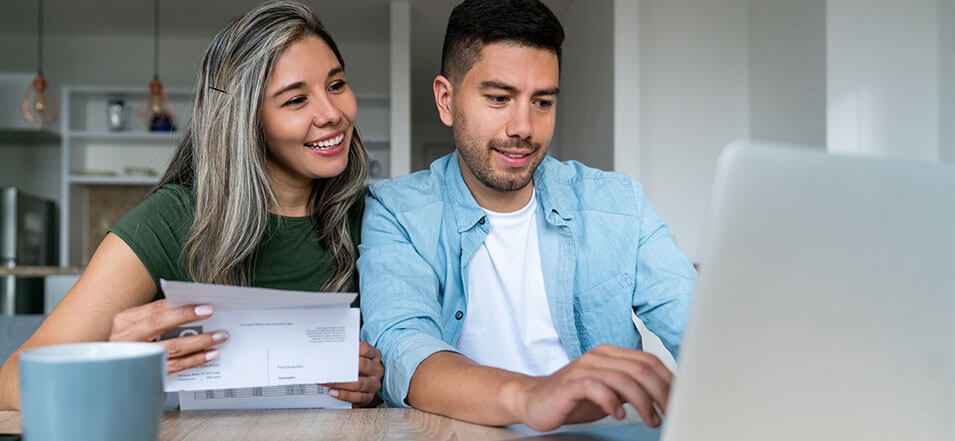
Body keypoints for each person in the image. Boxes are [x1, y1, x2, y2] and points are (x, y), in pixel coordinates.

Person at [0, 1, 383, 410]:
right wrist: (114, 364)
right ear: (243, 121)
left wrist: (379, 381)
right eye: (295, 100)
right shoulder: (170, 222)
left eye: (336, 84)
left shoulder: (377, 218)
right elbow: (10, 385)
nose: (332, 113)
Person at [358, 0, 696, 431]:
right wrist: (533, 394)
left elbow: (701, 330)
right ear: (446, 100)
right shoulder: (396, 210)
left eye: (542, 102)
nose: (524, 127)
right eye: (499, 98)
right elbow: (405, 348)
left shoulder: (617, 203)